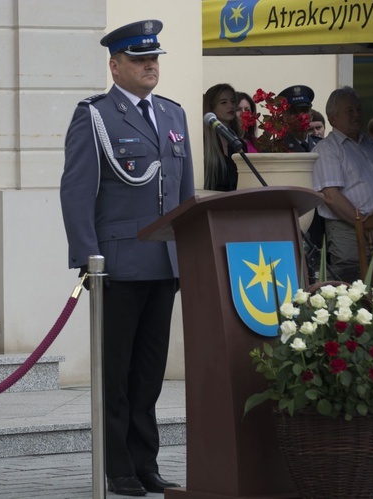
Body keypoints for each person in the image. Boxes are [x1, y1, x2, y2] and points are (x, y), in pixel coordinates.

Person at [60, 19, 193, 497]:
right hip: (117, 264)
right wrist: (89, 259)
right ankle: (118, 468)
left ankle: (146, 463)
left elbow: (185, 196)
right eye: (139, 59)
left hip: (164, 264)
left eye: (153, 58)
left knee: (149, 374)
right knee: (115, 373)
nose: (150, 65)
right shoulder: (96, 115)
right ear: (115, 66)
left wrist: (187, 255)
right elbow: (77, 193)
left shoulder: (174, 115)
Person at [312, 86, 373, 283]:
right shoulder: (327, 149)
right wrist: (367, 224)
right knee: (354, 294)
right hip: (349, 231)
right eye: (349, 111)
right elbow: (331, 196)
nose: (357, 114)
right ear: (332, 118)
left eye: (358, 109)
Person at [203, 83, 242, 191]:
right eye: (223, 102)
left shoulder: (238, 143)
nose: (231, 106)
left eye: (233, 101)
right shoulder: (203, 144)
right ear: (212, 107)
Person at [278, 85, 319, 152]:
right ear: (284, 117)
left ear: (311, 116)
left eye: (304, 110)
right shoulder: (275, 148)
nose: (301, 116)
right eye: (294, 112)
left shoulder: (321, 145)